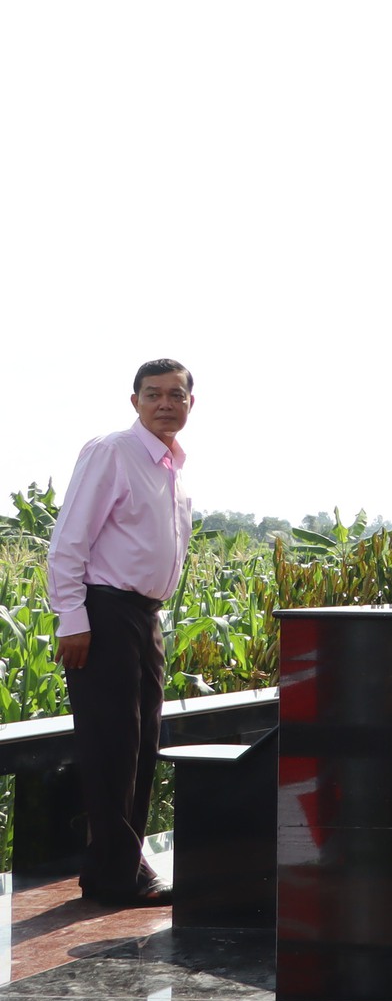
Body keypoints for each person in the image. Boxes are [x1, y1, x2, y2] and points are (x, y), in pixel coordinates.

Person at [46, 360, 194, 907]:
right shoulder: (113, 452)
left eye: (175, 395)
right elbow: (68, 542)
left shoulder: (171, 465)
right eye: (152, 394)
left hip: (142, 618)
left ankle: (120, 870)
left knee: (141, 745)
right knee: (112, 745)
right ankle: (115, 877)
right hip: (102, 613)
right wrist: (73, 619)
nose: (164, 404)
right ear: (134, 401)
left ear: (189, 404)